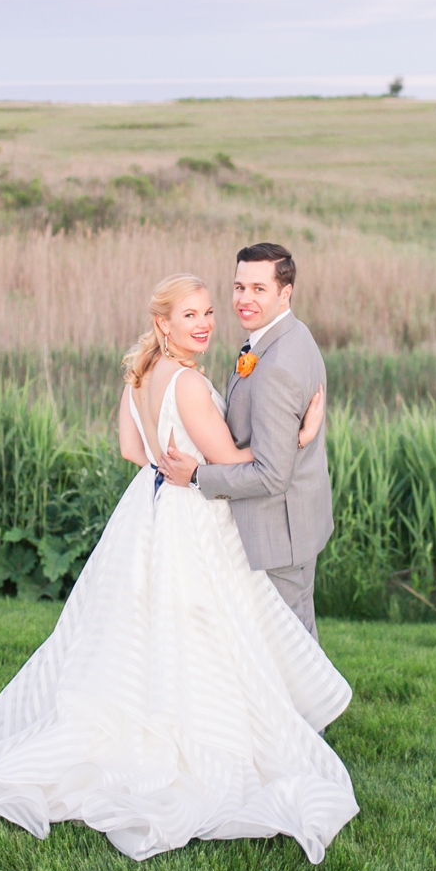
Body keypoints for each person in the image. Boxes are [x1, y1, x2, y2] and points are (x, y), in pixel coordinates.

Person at [0, 272, 358, 864]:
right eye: (190, 316)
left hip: (150, 509)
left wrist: (170, 464)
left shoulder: (141, 372)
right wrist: (304, 431)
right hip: (190, 517)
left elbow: (134, 453)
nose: (206, 323)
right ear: (164, 323)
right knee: (209, 629)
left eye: (209, 312)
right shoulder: (187, 383)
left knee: (147, 632)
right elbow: (236, 461)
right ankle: (208, 741)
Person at [159, 243, 332, 639]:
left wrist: (198, 477)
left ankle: (308, 704)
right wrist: (299, 439)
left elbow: (271, 477)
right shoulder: (293, 336)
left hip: (278, 532)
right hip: (298, 520)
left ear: (284, 293)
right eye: (239, 288)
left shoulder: (275, 366)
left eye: (258, 289)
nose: (244, 299)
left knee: (289, 647)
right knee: (296, 639)